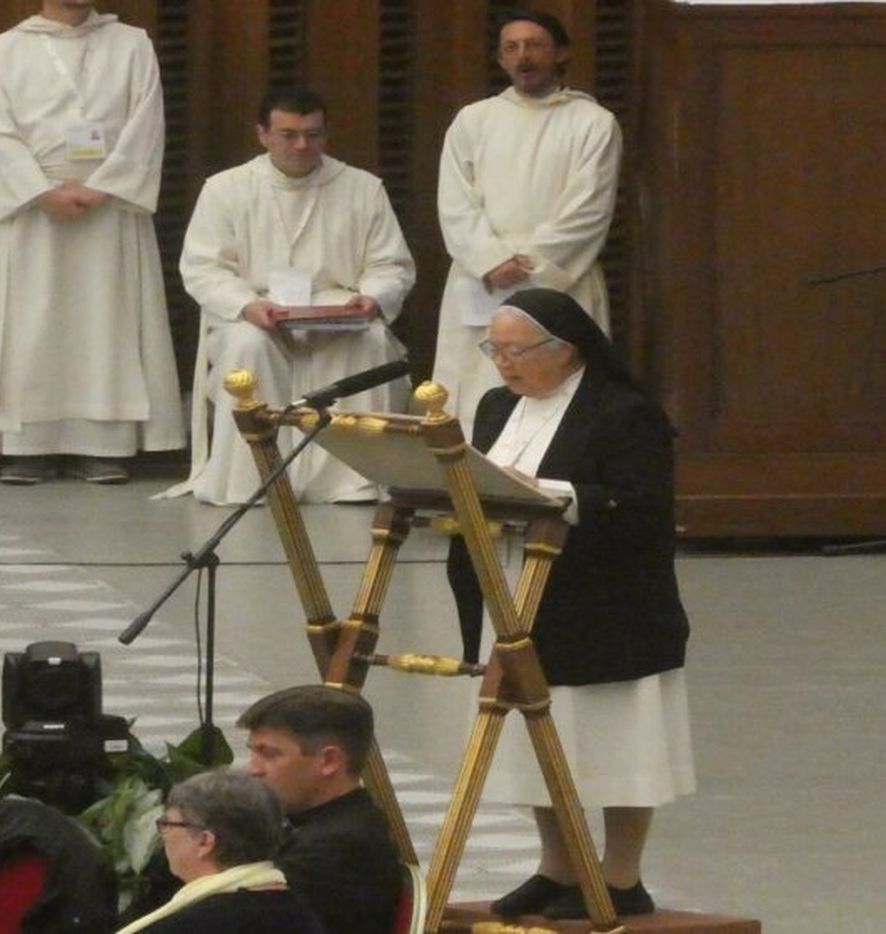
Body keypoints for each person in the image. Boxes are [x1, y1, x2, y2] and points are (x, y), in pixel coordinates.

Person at [446, 289, 694, 920]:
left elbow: (641, 506)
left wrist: (548, 493)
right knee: (534, 732)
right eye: (493, 349)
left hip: (606, 603)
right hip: (514, 590)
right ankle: (557, 867)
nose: (502, 363)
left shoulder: (623, 412)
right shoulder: (497, 406)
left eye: (516, 350)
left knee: (618, 738)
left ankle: (620, 875)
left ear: (566, 348)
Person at [0, 0, 184, 486]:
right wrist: (40, 192)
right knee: (29, 324)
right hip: (34, 208)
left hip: (109, 203)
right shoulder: (3, 50)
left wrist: (104, 186)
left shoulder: (133, 44)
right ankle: (27, 446)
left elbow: (146, 125)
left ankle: (102, 444)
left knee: (105, 323)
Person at [171, 87, 415, 505]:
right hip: (254, 310)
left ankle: (351, 480)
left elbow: (390, 264)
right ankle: (254, 479)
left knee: (371, 340)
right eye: (289, 134)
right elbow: (203, 267)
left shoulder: (362, 187)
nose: (303, 145)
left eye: (313, 134)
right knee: (248, 347)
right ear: (262, 134)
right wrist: (248, 305)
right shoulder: (225, 189)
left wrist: (371, 299)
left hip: (336, 310)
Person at [433, 9, 620, 433]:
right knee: (478, 389)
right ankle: (470, 489)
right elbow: (455, 203)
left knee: (556, 389)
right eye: (511, 48)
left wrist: (528, 266)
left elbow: (588, 209)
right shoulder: (473, 120)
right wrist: (490, 260)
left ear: (560, 53)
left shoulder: (594, 123)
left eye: (534, 46)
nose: (523, 57)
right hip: (482, 279)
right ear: (501, 59)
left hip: (558, 280)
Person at [237, 686, 401, 934]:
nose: (253, 770)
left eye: (269, 754)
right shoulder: (319, 824)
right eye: (253, 752)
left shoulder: (339, 847)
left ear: (329, 761)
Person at [117, 770, 324, 934]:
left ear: (205, 841)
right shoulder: (299, 910)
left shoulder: (189, 925)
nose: (163, 835)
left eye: (167, 824)